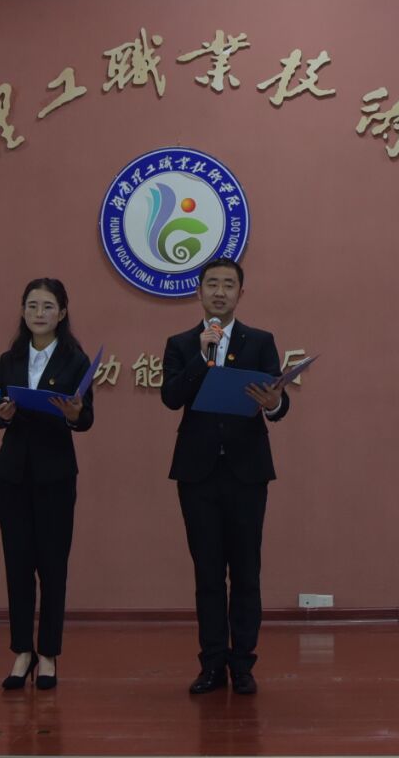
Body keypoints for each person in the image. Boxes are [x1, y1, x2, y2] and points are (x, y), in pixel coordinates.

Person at [159, 257, 290, 696]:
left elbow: (279, 404)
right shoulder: (181, 343)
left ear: (240, 293)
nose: (219, 291)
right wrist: (201, 357)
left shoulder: (261, 341)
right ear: (199, 291)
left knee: (246, 571)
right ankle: (212, 663)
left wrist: (273, 402)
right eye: (212, 284)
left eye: (228, 285)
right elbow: (171, 397)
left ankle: (243, 664)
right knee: (208, 573)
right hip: (197, 473)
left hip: (246, 472)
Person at [0, 277, 93, 691]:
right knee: (17, 564)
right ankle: (21, 651)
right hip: (12, 474)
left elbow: (85, 418)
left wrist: (74, 413)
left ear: (62, 313)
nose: (39, 313)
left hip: (55, 474)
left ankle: (48, 653)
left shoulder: (75, 360)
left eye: (48, 306)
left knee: (52, 565)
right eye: (32, 306)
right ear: (23, 311)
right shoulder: (9, 358)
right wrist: (1, 414)